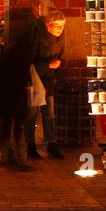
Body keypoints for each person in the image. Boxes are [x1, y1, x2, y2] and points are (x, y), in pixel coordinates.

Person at [0, 0, 41, 170]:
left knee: (5, 116)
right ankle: (18, 156)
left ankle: (5, 154)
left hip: (1, 76)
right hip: (17, 76)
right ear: (33, 6)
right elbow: (30, 52)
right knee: (20, 117)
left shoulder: (6, 21)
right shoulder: (30, 25)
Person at [27, 9, 66, 159]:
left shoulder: (59, 39)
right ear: (49, 25)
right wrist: (48, 64)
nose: (60, 29)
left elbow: (60, 54)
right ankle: (30, 145)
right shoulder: (38, 39)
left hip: (48, 80)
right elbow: (31, 61)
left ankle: (51, 143)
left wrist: (57, 64)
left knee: (49, 113)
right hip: (34, 79)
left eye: (62, 26)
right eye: (58, 26)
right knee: (32, 113)